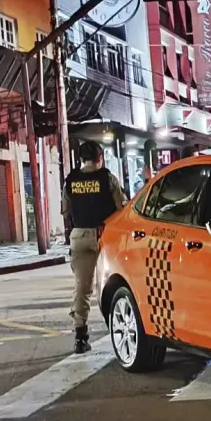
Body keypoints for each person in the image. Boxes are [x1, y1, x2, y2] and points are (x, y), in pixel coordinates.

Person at [61, 141, 127, 353]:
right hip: (104, 235)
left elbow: (65, 211)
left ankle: (80, 336)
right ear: (100, 157)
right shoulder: (107, 178)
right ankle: (125, 325)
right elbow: (122, 208)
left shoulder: (70, 180)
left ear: (81, 159)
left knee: (82, 288)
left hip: (79, 236)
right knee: (120, 280)